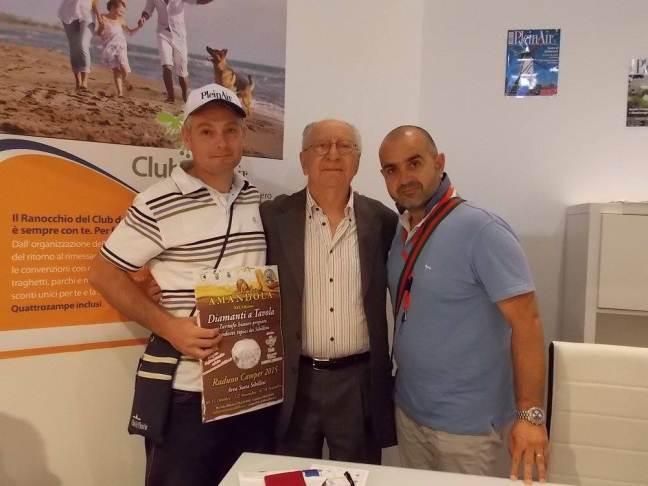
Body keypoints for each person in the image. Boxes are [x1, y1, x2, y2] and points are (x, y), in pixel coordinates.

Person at [88, 83, 273, 486]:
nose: (221, 142)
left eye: (230, 130)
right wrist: (168, 326)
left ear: (243, 135)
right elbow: (102, 272)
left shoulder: (258, 200)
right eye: (206, 131)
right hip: (189, 393)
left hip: (252, 389)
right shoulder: (157, 202)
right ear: (187, 137)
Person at [378, 126, 549, 482]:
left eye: (414, 163)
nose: (404, 178)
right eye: (392, 170)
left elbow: (527, 323)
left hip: (471, 429)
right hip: (410, 414)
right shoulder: (401, 232)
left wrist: (530, 416)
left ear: (439, 163)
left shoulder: (482, 229)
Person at [260, 119, 398, 464]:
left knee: (358, 476)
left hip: (359, 383)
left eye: (345, 146)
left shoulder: (383, 221)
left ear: (358, 161)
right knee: (289, 475)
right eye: (321, 145)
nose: (333, 154)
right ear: (303, 160)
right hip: (294, 381)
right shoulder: (271, 217)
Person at [139, 0, 213, 103]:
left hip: (179, 36)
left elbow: (199, 1)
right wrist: (143, 18)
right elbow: (148, 9)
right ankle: (171, 97)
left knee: (182, 71)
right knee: (166, 65)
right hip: (163, 33)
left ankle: (185, 96)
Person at [98, 0, 142, 97]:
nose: (122, 13)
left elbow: (130, 33)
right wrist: (101, 27)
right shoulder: (103, 17)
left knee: (123, 66)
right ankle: (120, 93)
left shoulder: (121, 20)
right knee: (116, 70)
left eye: (123, 11)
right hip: (109, 47)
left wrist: (139, 27)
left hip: (121, 46)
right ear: (113, 8)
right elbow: (99, 33)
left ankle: (125, 80)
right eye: (120, 11)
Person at [58, 0, 102, 91]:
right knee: (74, 48)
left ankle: (84, 81)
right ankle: (78, 82)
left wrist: (98, 15)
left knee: (83, 44)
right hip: (68, 12)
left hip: (87, 14)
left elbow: (95, 2)